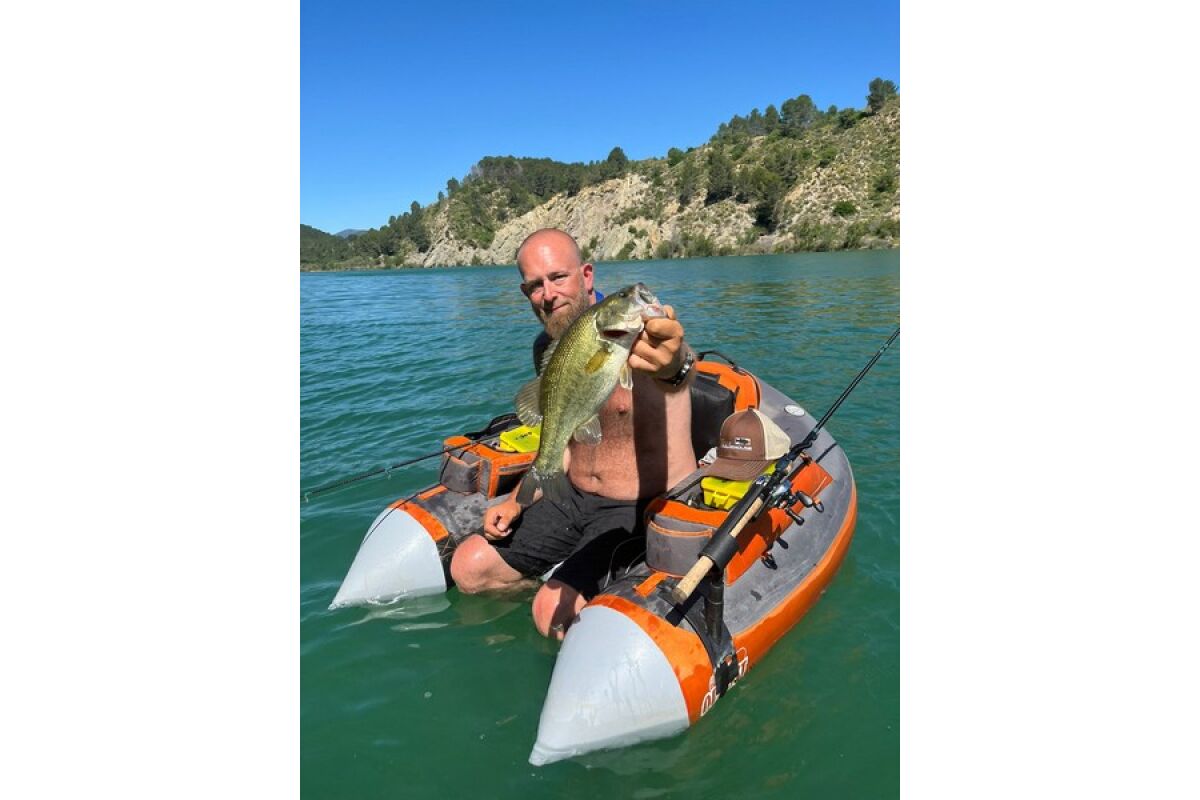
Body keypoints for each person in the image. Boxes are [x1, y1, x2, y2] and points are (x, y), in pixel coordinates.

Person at [449, 228, 697, 639]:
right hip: (572, 496)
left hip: (638, 507)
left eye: (558, 277)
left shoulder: (643, 335)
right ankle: (562, 580)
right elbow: (560, 441)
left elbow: (678, 370)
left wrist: (675, 365)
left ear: (586, 275)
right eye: (535, 285)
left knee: (551, 610)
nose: (548, 294)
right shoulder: (548, 348)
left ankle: (577, 599)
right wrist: (515, 502)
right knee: (468, 567)